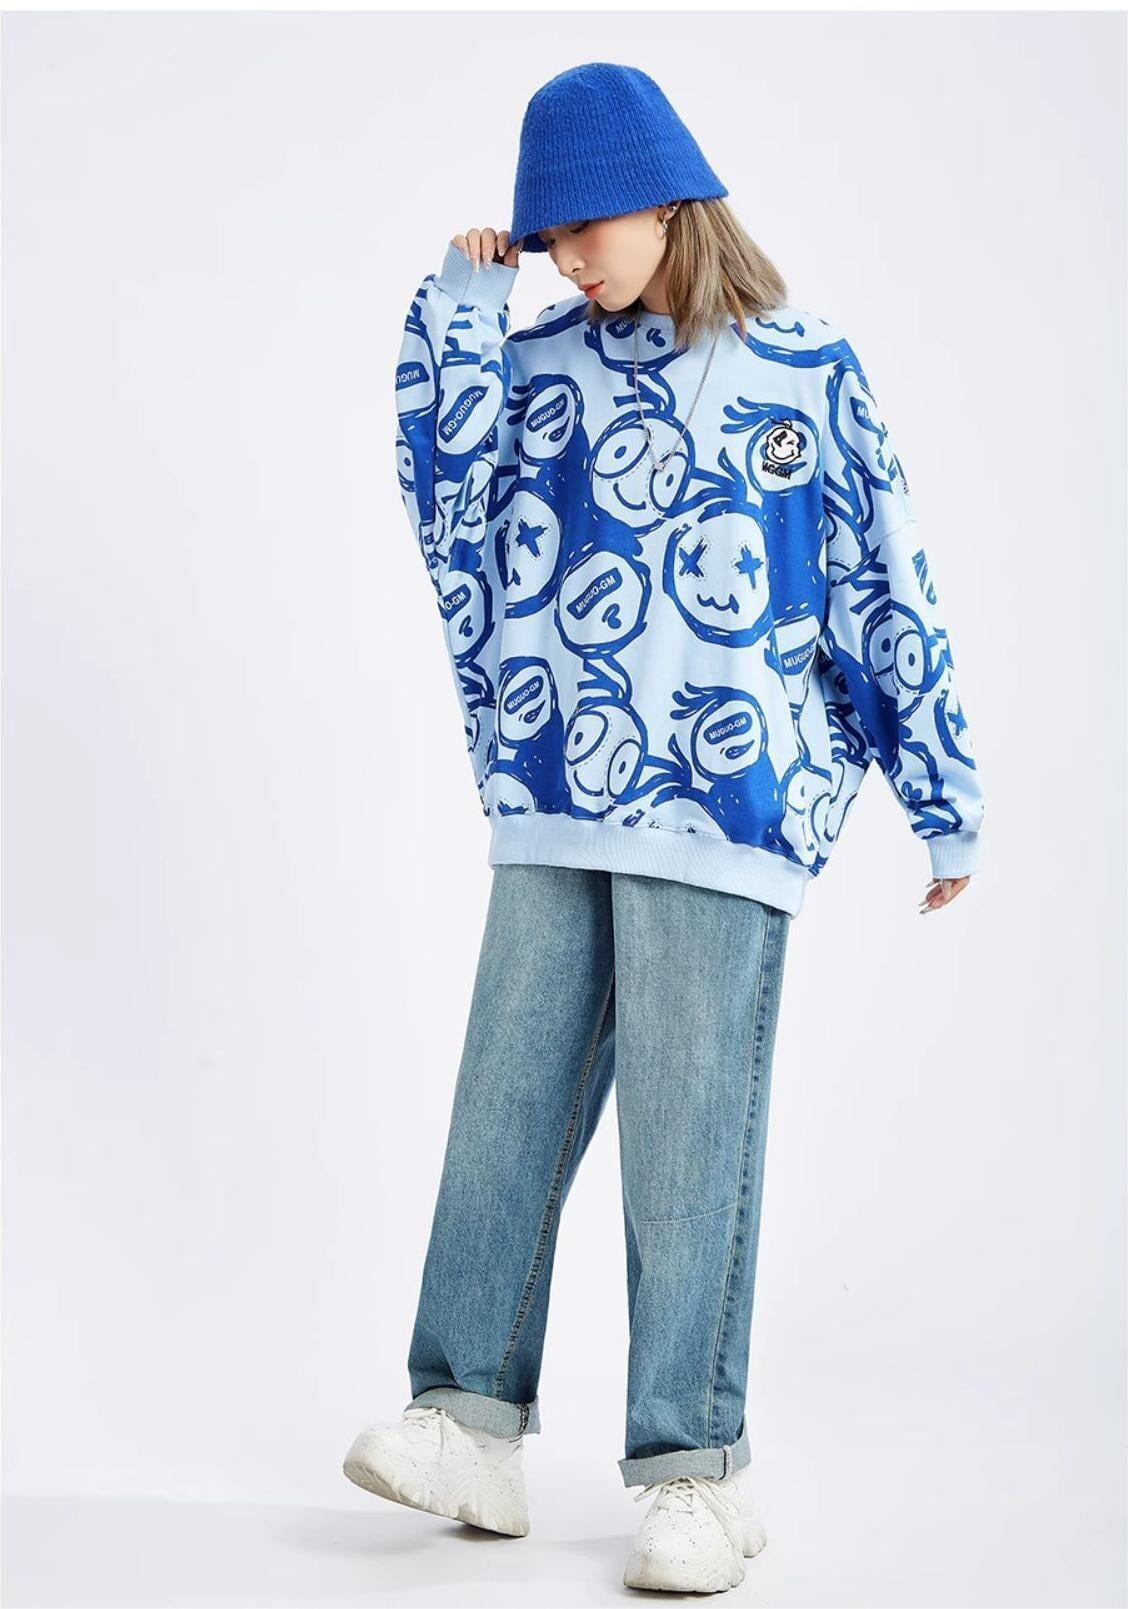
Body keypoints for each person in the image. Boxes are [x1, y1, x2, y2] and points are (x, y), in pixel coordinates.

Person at [344, 61, 985, 1595]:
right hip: (557, 790)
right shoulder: (540, 365)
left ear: (667, 199)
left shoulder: (802, 369)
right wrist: (462, 309)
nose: (568, 257)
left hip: (728, 804)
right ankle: (466, 1421)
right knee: (504, 1109)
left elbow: (880, 575)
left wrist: (943, 795)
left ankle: (695, 1470)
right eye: (546, 235)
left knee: (689, 1150)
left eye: (586, 225)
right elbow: (445, 501)